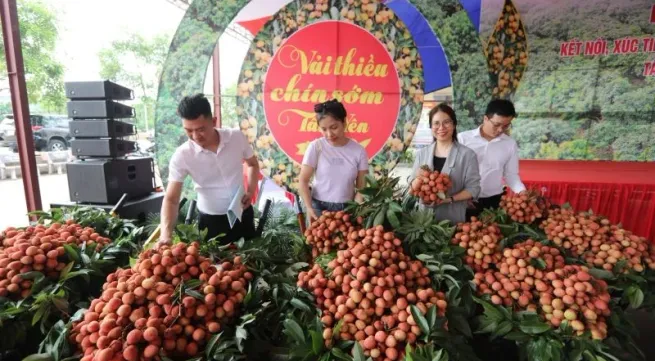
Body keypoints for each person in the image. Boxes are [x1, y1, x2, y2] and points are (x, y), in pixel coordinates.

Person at [156, 93, 259, 247]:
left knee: (251, 263)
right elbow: (171, 199)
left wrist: (250, 191)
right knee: (217, 267)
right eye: (189, 131)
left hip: (243, 213)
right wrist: (165, 234)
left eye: (201, 129)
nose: (195, 136)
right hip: (211, 223)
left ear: (214, 121)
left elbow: (252, 164)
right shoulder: (183, 155)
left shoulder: (236, 138)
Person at [298, 99, 369, 221]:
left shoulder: (359, 151)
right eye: (324, 129)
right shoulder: (316, 147)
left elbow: (361, 188)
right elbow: (303, 180)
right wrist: (309, 208)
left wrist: (355, 211)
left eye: (334, 127)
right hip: (319, 208)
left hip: (347, 209)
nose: (329, 134)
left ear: (344, 122)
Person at [411, 103, 481, 224]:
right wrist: (417, 180)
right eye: (436, 123)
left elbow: (473, 189)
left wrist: (449, 199)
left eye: (447, 122)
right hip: (423, 220)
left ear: (454, 125)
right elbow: (410, 185)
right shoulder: (422, 153)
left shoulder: (468, 155)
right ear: (431, 126)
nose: (441, 127)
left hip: (452, 218)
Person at [458, 99, 526, 220]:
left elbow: (511, 175)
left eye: (506, 126)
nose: (500, 130)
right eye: (496, 125)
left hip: (493, 201)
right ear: (485, 119)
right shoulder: (463, 139)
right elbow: (454, 171)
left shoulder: (510, 144)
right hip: (464, 200)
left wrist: (522, 192)